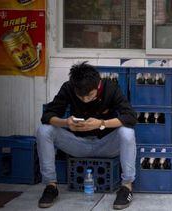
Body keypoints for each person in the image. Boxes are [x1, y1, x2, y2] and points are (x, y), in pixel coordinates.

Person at [36, 62, 137, 210]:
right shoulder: (68, 88)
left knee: (127, 132)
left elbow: (130, 117)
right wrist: (65, 123)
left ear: (98, 86)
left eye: (89, 95)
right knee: (44, 130)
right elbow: (47, 115)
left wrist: (101, 123)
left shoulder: (110, 88)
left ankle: (127, 186)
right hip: (78, 145)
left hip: (107, 145)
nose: (85, 99)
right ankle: (51, 185)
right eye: (80, 96)